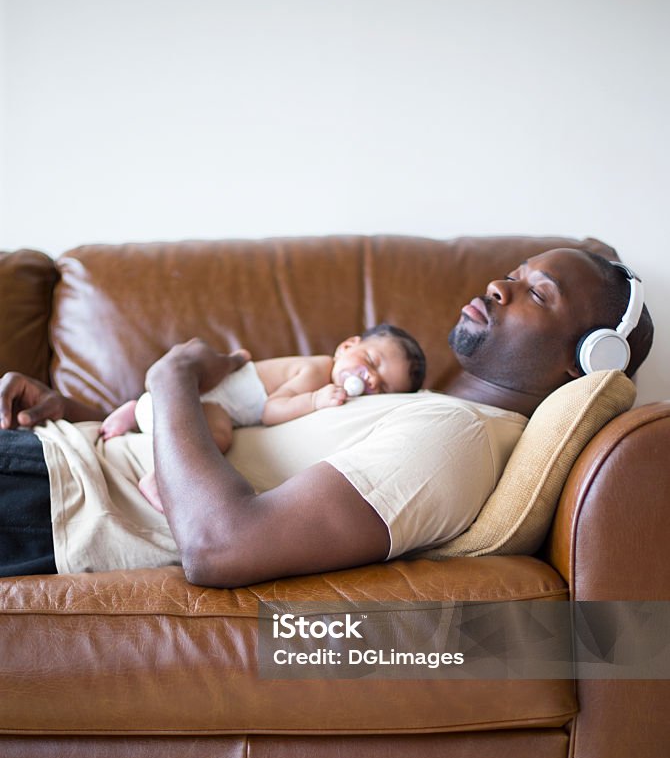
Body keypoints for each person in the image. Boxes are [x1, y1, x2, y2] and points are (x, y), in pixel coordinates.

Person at [0, 248, 654, 586]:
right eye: (513, 272)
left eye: (538, 292)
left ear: (585, 362)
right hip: (54, 457)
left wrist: (170, 375)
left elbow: (222, 546)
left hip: (54, 503)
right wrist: (81, 414)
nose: (498, 286)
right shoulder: (417, 410)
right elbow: (225, 443)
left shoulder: (454, 441)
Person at [98, 324, 427, 512]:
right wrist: (313, 400)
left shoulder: (331, 380)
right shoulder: (316, 372)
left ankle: (134, 410)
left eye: (382, 387)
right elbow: (271, 411)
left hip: (182, 401)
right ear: (345, 346)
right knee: (220, 437)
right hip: (202, 401)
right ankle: (158, 478)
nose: (369, 379)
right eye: (371, 361)